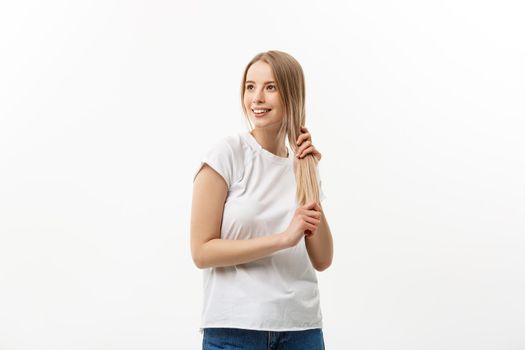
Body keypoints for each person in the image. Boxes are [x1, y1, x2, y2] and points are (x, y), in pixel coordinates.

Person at [191, 50, 334, 350]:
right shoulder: (227, 154)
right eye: (250, 86)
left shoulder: (301, 164)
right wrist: (283, 239)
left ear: (291, 95)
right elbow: (202, 251)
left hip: (302, 328)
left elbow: (322, 259)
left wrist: (305, 174)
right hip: (235, 330)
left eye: (270, 87)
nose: (257, 98)